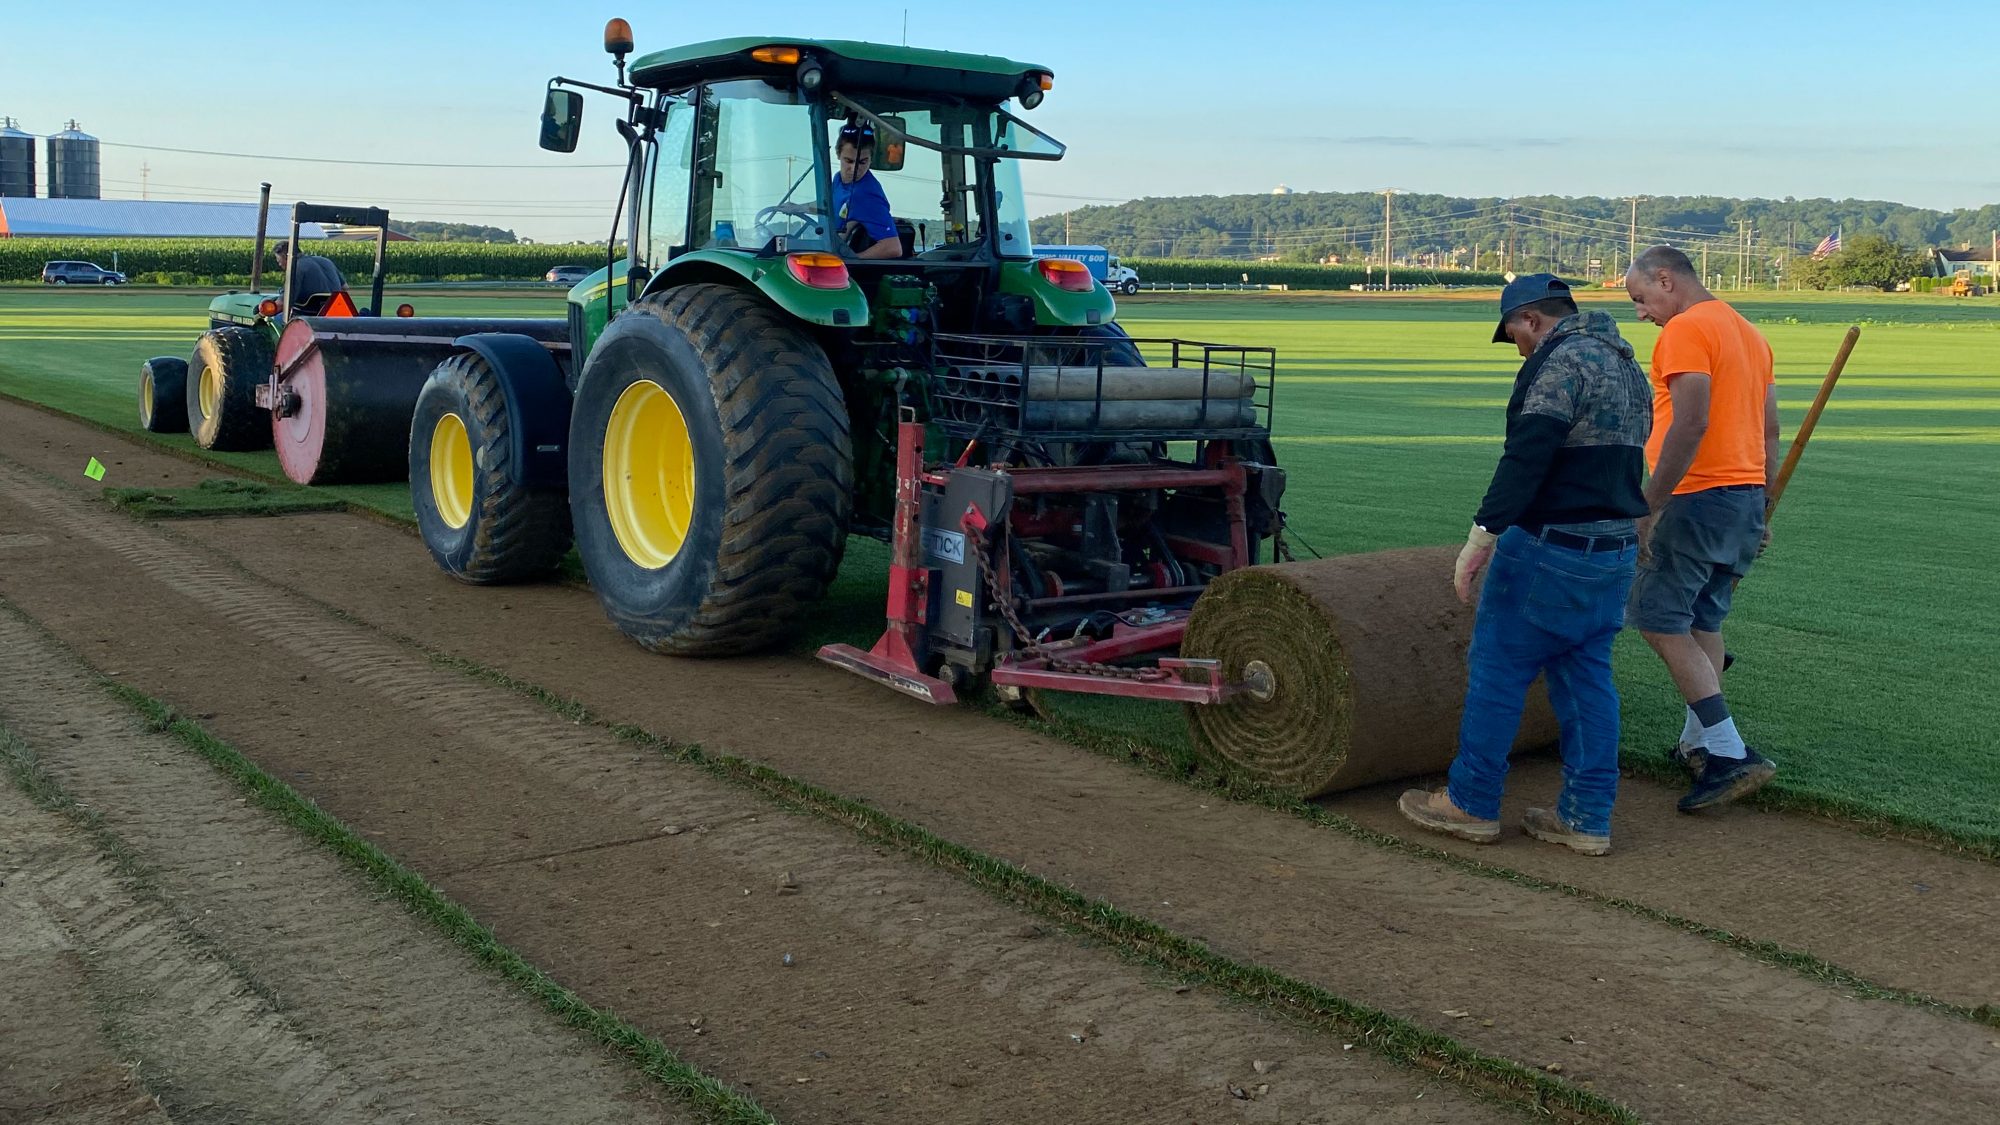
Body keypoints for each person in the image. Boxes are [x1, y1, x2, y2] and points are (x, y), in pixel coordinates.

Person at [1398, 274, 1652, 856]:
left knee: (1497, 671)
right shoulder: (1627, 365)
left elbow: (1527, 455)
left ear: (1532, 320)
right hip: (1613, 551)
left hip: (1548, 548)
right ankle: (1587, 816)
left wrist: (1480, 537)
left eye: (1513, 333)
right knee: (1588, 679)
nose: (1515, 345)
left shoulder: (1560, 363)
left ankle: (1470, 802)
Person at [1624, 245, 1780, 812]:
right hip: (1739, 496)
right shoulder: (1748, 332)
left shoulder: (1688, 331)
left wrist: (1650, 504)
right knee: (1703, 619)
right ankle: (1697, 742)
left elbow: (1691, 421)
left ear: (1666, 279)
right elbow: (1770, 432)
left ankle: (1729, 750)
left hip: (1695, 496)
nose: (1641, 313)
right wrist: (1759, 507)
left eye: (1641, 298)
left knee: (1659, 619)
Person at [831, 124, 902, 260]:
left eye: (863, 162)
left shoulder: (867, 194)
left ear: (871, 159)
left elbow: (893, 247)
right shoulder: (838, 179)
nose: (854, 169)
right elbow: (829, 204)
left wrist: (852, 260)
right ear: (838, 154)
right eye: (849, 161)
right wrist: (799, 208)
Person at [272, 241, 347, 310]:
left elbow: (282, 303)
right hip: (336, 311)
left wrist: (262, 313)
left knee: (275, 318)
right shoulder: (326, 261)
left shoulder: (295, 267)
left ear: (286, 256)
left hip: (309, 315)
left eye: (279, 260)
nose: (279, 264)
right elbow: (344, 287)